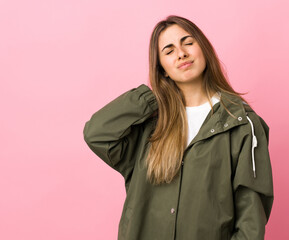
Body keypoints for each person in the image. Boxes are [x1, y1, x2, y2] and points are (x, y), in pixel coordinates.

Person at [83, 15, 274, 240]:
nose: (181, 53)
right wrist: (152, 97)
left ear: (204, 49)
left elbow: (250, 221)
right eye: (169, 50)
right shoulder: (150, 126)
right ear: (161, 68)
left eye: (188, 43)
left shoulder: (241, 124)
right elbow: (96, 133)